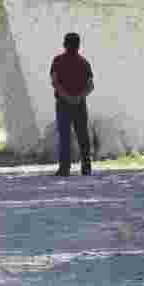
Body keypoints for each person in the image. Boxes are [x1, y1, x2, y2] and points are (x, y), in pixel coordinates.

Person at [50, 32, 94, 177]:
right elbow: (90, 86)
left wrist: (67, 97)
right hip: (80, 104)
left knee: (65, 136)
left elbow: (55, 82)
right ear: (78, 45)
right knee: (83, 136)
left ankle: (64, 168)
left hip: (63, 103)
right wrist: (78, 97)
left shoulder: (57, 61)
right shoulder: (84, 62)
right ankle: (86, 167)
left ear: (64, 44)